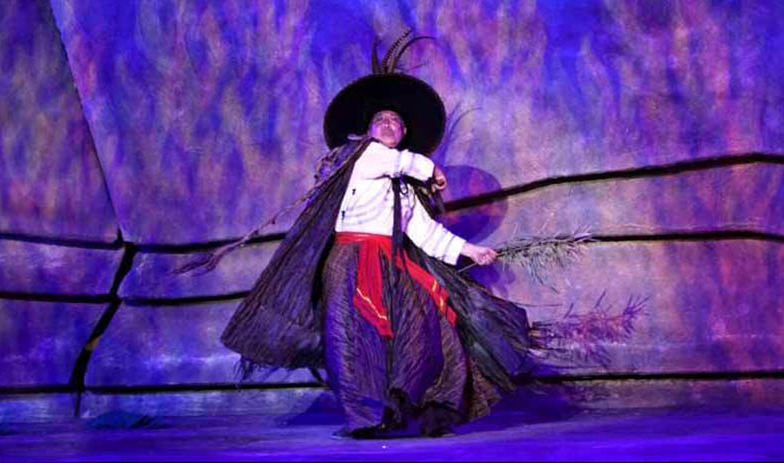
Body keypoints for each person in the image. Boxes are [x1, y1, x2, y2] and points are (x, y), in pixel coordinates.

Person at [216, 35, 549, 438]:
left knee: (427, 318)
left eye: (395, 122)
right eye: (381, 120)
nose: (388, 125)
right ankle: (366, 416)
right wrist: (430, 169)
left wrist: (471, 250)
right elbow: (395, 161)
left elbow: (424, 232)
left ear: (404, 131)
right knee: (352, 335)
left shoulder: (404, 184)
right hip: (351, 260)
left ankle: (421, 402)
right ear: (369, 130)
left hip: (391, 261)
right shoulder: (360, 157)